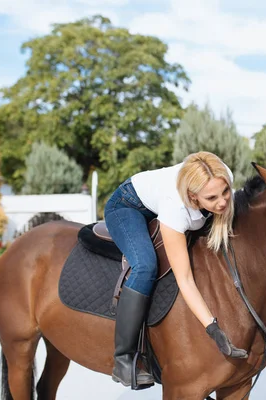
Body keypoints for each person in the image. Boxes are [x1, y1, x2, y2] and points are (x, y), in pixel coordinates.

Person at [104, 151, 248, 388]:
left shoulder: (221, 175)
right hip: (128, 204)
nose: (222, 202)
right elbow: (185, 280)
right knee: (144, 265)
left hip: (162, 197)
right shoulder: (176, 209)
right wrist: (211, 327)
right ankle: (123, 359)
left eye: (225, 192)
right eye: (212, 198)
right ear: (193, 197)